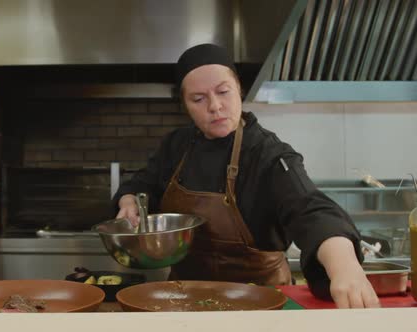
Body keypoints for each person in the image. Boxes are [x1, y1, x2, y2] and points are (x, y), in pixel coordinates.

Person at [112, 43, 379, 309]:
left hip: (260, 302)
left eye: (223, 92)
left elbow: (309, 207)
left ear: (239, 90)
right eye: (198, 99)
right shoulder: (176, 145)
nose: (215, 106)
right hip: (183, 299)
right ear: (185, 105)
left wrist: (344, 266)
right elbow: (141, 184)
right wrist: (129, 200)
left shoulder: (268, 153)